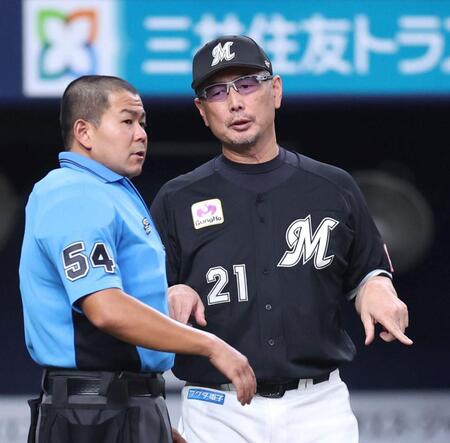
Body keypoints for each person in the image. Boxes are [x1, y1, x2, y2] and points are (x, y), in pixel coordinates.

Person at [150, 36, 413, 443]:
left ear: (276, 91)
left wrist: (377, 287)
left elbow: (368, 272)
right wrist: (167, 294)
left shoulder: (333, 186)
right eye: (217, 92)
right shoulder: (177, 198)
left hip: (317, 408)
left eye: (248, 84)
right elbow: (140, 304)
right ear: (202, 112)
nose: (235, 102)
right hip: (216, 408)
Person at [19, 75, 256, 443]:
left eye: (142, 122)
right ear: (84, 132)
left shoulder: (110, 191)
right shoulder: (73, 193)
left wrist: (152, 416)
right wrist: (209, 345)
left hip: (120, 406)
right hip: (90, 414)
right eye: (127, 121)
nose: (141, 133)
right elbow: (106, 308)